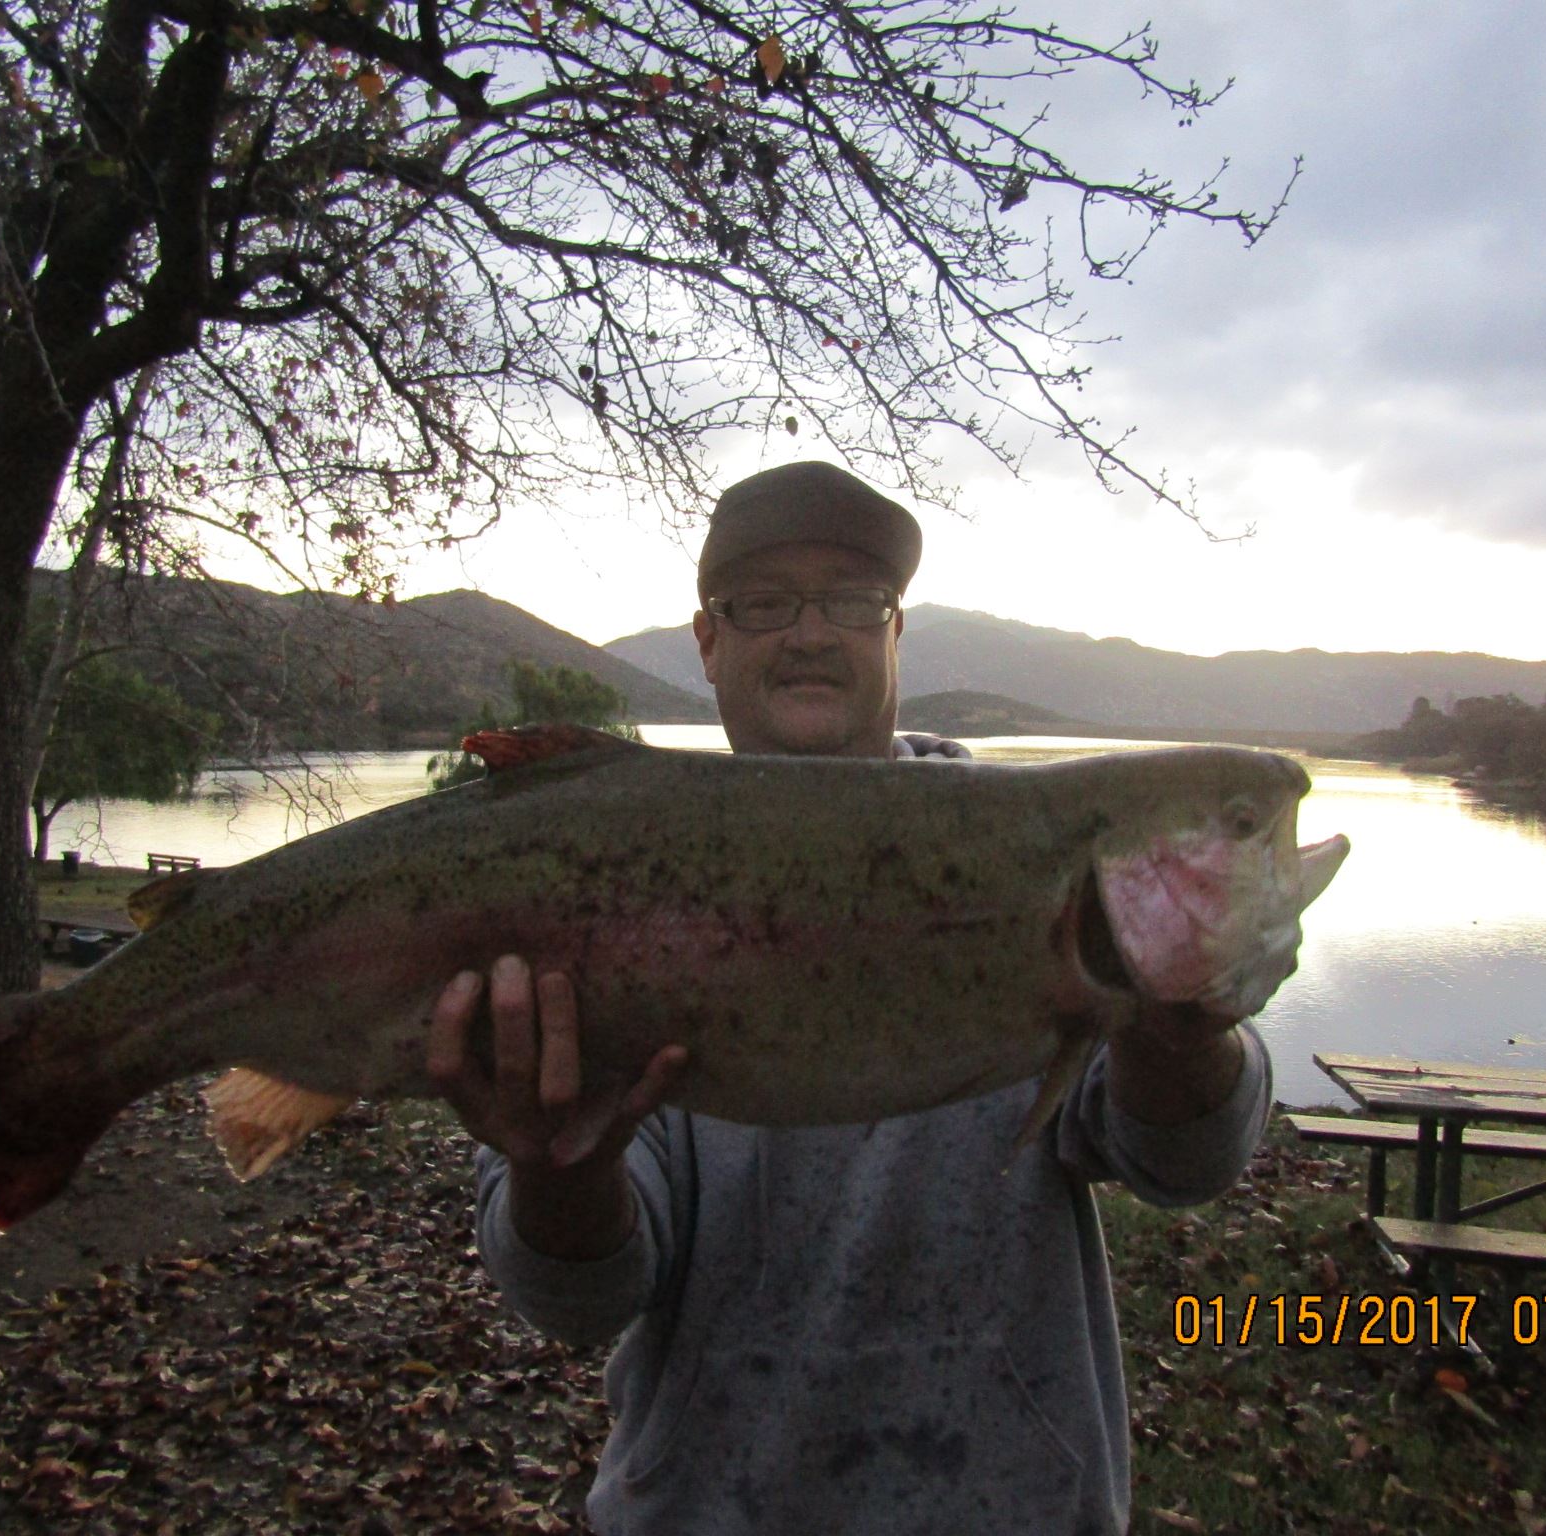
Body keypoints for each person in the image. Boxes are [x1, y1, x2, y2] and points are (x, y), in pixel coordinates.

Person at [426, 461, 1272, 1536]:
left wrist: (1187, 1026)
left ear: (893, 634)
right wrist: (557, 1172)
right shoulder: (588, 878)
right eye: (766, 604)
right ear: (706, 641)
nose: (810, 633)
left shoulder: (1036, 857)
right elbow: (577, 1303)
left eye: (850, 601)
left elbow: (1184, 1165)